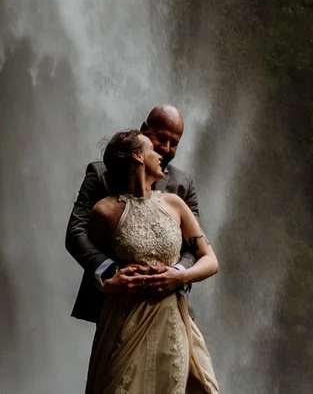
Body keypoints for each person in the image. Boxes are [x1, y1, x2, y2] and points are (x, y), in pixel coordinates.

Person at [79, 127, 220, 394]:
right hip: (124, 321)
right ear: (138, 157)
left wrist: (179, 276)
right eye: (153, 149)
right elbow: (94, 264)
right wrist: (109, 284)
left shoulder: (176, 204)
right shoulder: (104, 211)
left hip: (170, 320)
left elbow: (210, 260)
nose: (162, 155)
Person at [65, 105, 197, 321]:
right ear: (145, 128)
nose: (166, 148)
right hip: (115, 302)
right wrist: (112, 271)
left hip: (169, 303)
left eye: (174, 143)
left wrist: (177, 273)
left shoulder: (183, 185)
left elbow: (195, 245)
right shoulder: (100, 175)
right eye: (161, 138)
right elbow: (75, 233)